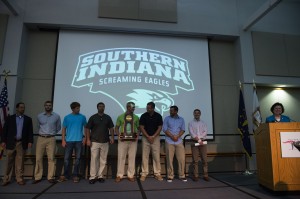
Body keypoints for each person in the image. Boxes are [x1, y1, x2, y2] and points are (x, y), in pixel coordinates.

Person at [1, 102, 33, 186]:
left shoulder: (28, 119)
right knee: (9, 162)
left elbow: (30, 131)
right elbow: (4, 130)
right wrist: (3, 141)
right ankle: (6, 179)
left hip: (21, 143)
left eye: (24, 107)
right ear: (17, 108)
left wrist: (30, 141)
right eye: (21, 107)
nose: (23, 109)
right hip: (11, 143)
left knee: (20, 162)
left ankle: (19, 179)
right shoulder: (10, 118)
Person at [32, 101, 61, 184]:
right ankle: (37, 177)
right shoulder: (39, 116)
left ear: (52, 106)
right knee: (38, 158)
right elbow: (38, 126)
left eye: (50, 105)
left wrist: (51, 133)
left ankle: (50, 177)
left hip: (51, 138)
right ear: (44, 106)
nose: (48, 107)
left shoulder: (56, 116)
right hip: (41, 138)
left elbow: (58, 127)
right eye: (46, 105)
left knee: (51, 158)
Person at [58, 102, 87, 183]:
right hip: (69, 141)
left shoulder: (82, 117)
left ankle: (75, 175)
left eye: (79, 108)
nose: (79, 109)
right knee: (66, 159)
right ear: (72, 109)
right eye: (77, 108)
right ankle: (66, 175)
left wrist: (85, 138)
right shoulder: (67, 117)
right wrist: (63, 140)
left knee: (78, 159)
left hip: (79, 141)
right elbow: (63, 129)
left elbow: (86, 128)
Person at [86, 102, 114, 184]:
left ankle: (100, 176)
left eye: (103, 106)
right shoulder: (93, 117)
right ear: (97, 107)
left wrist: (112, 137)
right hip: (94, 141)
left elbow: (111, 128)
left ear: (104, 108)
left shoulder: (107, 117)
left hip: (105, 141)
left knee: (103, 160)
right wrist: (88, 139)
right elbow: (87, 129)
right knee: (94, 159)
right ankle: (92, 177)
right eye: (100, 106)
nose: (101, 108)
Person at [115, 102, 139, 183]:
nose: (133, 108)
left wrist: (137, 135)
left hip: (133, 141)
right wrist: (119, 136)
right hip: (122, 141)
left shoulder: (136, 117)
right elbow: (116, 128)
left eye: (134, 107)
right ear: (128, 107)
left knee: (132, 158)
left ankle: (130, 175)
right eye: (132, 107)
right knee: (121, 157)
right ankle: (119, 175)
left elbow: (139, 128)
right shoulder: (120, 116)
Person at [139, 102, 163, 182]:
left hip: (155, 138)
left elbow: (160, 127)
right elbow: (141, 127)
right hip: (146, 138)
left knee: (156, 156)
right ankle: (144, 173)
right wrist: (148, 136)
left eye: (149, 108)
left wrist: (153, 136)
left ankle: (157, 173)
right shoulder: (143, 115)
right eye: (147, 107)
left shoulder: (158, 116)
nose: (147, 109)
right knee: (144, 156)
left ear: (153, 108)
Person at [163, 105, 187, 182]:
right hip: (169, 141)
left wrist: (177, 136)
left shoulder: (181, 119)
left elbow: (183, 130)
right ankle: (170, 176)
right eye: (170, 110)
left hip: (179, 141)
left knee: (181, 159)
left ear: (176, 111)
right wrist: (172, 136)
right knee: (169, 159)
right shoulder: (167, 118)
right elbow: (165, 129)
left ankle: (182, 175)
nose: (170, 112)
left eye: (172, 111)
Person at [188, 109, 209, 182]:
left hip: (203, 142)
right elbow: (191, 132)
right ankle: (195, 175)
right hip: (194, 142)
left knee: (204, 160)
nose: (196, 114)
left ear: (200, 114)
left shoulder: (204, 123)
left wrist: (200, 140)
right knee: (195, 160)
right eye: (195, 113)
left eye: (198, 113)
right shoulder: (190, 123)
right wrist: (198, 140)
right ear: (193, 114)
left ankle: (205, 175)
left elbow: (205, 132)